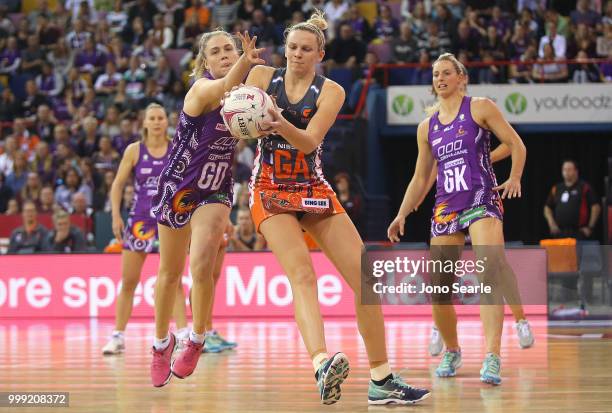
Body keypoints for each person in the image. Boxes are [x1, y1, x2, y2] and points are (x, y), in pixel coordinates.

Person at [245, 11, 430, 405]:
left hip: (312, 186)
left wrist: (277, 123)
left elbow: (309, 142)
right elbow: (235, 117)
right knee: (303, 275)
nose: (297, 53)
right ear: (285, 48)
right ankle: (321, 364)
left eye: (306, 49)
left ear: (319, 53)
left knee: (367, 281)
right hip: (268, 188)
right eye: (292, 47)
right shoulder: (261, 78)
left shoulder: (331, 91)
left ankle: (381, 379)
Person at [388, 52, 527, 385]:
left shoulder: (480, 107)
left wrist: (515, 177)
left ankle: (492, 356)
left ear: (461, 78)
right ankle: (452, 348)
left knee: (488, 271)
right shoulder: (427, 127)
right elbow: (421, 179)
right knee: (439, 287)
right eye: (436, 74)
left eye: (447, 73)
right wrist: (402, 213)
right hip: (446, 206)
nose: (440, 78)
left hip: (480, 198)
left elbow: (516, 144)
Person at [148, 31, 264, 387]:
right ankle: (160, 343)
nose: (226, 55)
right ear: (206, 62)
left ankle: (197, 338)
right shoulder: (200, 89)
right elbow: (227, 83)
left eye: (229, 48)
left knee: (201, 265)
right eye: (217, 51)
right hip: (178, 186)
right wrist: (246, 59)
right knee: (169, 273)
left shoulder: (245, 96)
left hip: (215, 189)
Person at [101, 103, 188, 356]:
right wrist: (116, 216)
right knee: (128, 281)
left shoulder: (177, 148)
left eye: (161, 117)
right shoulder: (134, 150)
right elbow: (117, 186)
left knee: (174, 280)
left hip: (169, 219)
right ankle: (118, 336)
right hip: (139, 221)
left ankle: (182, 334)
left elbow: (187, 184)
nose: (158, 122)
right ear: (145, 123)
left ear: (166, 122)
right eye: (153, 118)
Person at [544, 159, 600, 240]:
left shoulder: (584, 187)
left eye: (569, 169)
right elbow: (547, 207)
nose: (566, 172)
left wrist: (590, 227)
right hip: (560, 232)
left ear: (576, 171)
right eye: (564, 169)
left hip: (578, 233)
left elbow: (596, 207)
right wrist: (552, 224)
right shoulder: (556, 188)